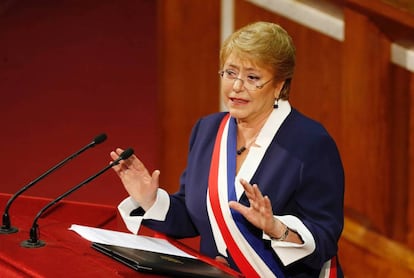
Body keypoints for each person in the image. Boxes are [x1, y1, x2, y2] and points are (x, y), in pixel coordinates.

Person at [110, 21, 344, 277]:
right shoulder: (208, 130)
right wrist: (150, 199)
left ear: (279, 85)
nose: (236, 87)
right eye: (230, 73)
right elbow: (194, 214)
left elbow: (324, 238)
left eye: (252, 78)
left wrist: (277, 228)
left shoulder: (311, 143)